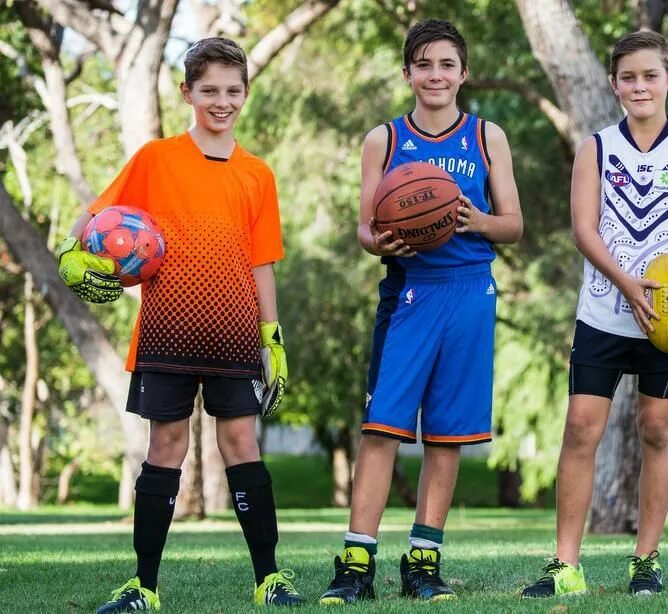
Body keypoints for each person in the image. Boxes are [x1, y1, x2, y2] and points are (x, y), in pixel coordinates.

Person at [57, 37, 303, 612]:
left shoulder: (256, 174)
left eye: (233, 91)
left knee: (242, 442)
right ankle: (144, 586)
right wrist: (72, 255)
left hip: (236, 331)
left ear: (246, 93)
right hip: (165, 329)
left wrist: (273, 336)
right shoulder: (155, 158)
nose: (222, 102)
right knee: (165, 446)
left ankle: (269, 579)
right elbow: (93, 217)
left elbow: (262, 260)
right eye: (210, 90)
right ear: (187, 92)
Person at [317, 19, 523, 605]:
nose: (436, 75)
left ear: (464, 74)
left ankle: (423, 562)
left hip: (470, 292)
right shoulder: (383, 138)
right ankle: (356, 563)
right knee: (381, 430)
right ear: (407, 73)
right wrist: (378, 241)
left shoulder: (487, 137)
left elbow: (514, 223)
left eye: (447, 65)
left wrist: (477, 221)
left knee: (447, 436)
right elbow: (365, 225)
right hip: (410, 291)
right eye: (424, 65)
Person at [521, 30, 668, 598]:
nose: (640, 86)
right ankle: (566, 565)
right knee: (581, 428)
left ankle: (646, 560)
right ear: (614, 85)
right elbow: (584, 230)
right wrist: (625, 284)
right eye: (628, 77)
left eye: (650, 76)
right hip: (605, 312)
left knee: (658, 430)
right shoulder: (597, 148)